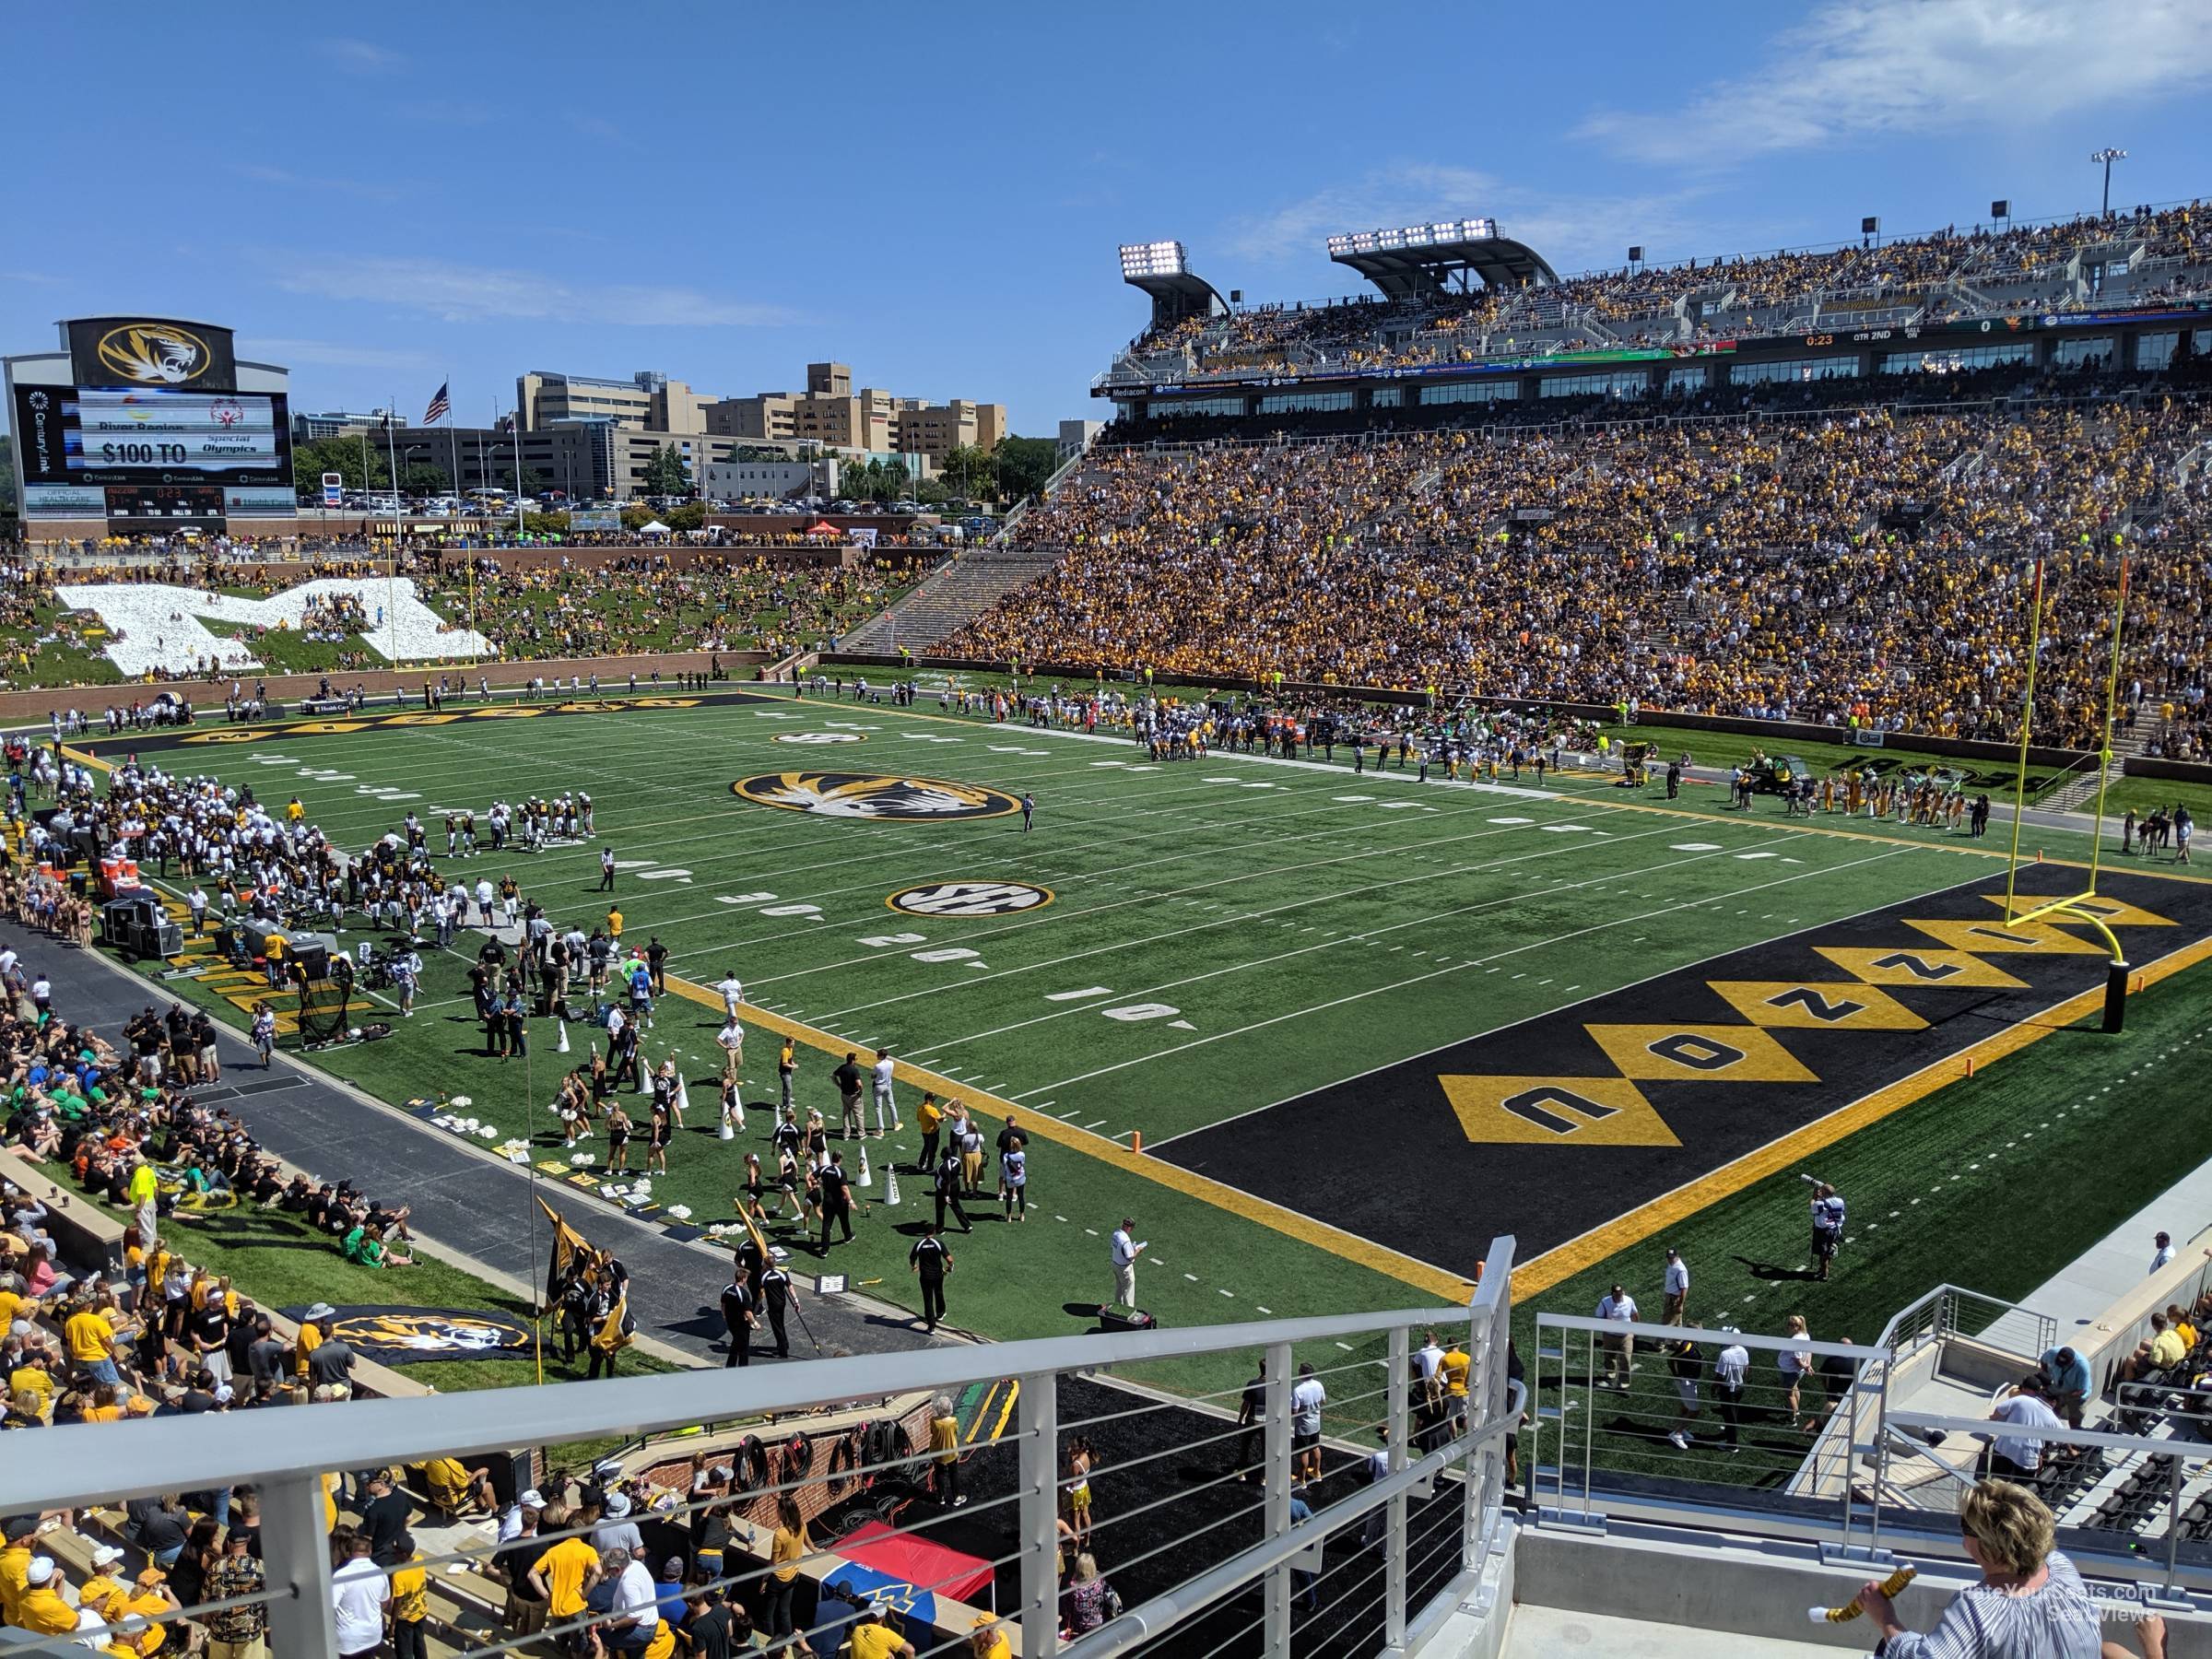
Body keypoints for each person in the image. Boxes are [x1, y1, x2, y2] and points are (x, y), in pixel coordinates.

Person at [1854, 1480, 2103, 1658]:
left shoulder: (1978, 1607)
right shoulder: (2061, 1567)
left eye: (1967, 1525)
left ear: (1987, 1543)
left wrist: (1885, 1617)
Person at [331, 1535, 392, 1659]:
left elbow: (330, 1607)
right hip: (372, 1636)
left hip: (348, 1641)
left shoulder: (341, 1575)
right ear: (370, 1551)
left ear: (348, 1552)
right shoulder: (380, 1572)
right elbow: (385, 1601)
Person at [764, 1496, 808, 1645]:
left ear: (783, 1512)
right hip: (793, 1575)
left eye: (778, 1509)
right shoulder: (801, 1525)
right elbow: (809, 1543)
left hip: (778, 1578)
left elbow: (773, 1563)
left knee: (768, 1613)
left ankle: (769, 1644)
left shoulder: (780, 1534)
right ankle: (787, 1643)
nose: (776, 1512)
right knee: (784, 1611)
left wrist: (764, 1580)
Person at [911, 1222, 952, 1334]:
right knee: (939, 1293)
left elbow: (912, 1258)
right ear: (933, 1232)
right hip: (938, 1275)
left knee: (928, 1300)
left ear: (924, 1232)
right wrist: (950, 1267)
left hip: (925, 1277)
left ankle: (931, 1327)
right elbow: (949, 1259)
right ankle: (940, 1314)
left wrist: (914, 1266)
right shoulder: (938, 1243)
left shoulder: (919, 1245)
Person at [1290, 1361, 1326, 1484]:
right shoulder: (1319, 1385)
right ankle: (1316, 1472)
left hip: (1303, 1427)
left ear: (1302, 1374)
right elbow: (1323, 1402)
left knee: (1304, 1452)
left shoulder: (1298, 1390)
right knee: (1315, 1447)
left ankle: (1302, 1479)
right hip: (1316, 1423)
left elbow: (1294, 1411)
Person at [1594, 1284, 1637, 1388]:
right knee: (1609, 1357)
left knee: (1626, 1359)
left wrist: (1636, 1329)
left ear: (1623, 1292)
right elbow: (1598, 1317)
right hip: (1609, 1336)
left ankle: (1624, 1382)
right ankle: (1610, 1374)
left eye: (1620, 1293)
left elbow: (1634, 1314)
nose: (1619, 1296)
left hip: (1626, 1336)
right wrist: (1608, 1322)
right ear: (1612, 1294)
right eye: (1616, 1294)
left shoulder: (1629, 1301)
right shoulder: (1605, 1302)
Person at [931, 1394, 964, 1507]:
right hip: (951, 1452)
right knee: (953, 1474)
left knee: (939, 1474)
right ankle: (956, 1497)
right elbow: (956, 1431)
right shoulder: (953, 1421)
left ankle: (941, 1497)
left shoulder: (934, 1421)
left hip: (937, 1452)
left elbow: (932, 1432)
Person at [1810, 1182, 1846, 1280]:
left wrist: (1814, 1197)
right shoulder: (1840, 1201)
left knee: (1823, 1254)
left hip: (1823, 1232)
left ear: (1824, 1192)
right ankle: (1831, 1250)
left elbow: (1813, 1207)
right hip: (1835, 1229)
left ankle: (1824, 1275)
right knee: (1826, 1252)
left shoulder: (1820, 1204)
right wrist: (1822, 1197)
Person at [721, 1272, 754, 1370]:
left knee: (736, 1343)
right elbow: (748, 1312)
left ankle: (730, 1366)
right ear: (743, 1279)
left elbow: (723, 1304)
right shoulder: (743, 1293)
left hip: (730, 1321)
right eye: (746, 1278)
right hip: (741, 1323)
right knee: (743, 1347)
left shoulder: (727, 1288)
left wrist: (724, 1316)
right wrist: (755, 1323)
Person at [1110, 1218, 1146, 1308]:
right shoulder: (1125, 1240)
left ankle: (1117, 1307)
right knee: (1128, 1291)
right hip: (1124, 1269)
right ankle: (1129, 1312)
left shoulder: (1116, 1233)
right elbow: (1130, 1257)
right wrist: (1138, 1250)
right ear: (1130, 1228)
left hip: (1115, 1264)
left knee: (1119, 1287)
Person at [871, 1047, 900, 1138]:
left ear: (881, 1056)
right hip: (888, 1085)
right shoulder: (891, 1063)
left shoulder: (878, 1066)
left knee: (878, 1108)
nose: (877, 1055)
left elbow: (872, 1076)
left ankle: (880, 1129)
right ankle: (895, 1124)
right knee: (891, 1105)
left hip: (879, 1086)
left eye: (878, 1054)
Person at [1662, 1247, 1689, 1325]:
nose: (1669, 1260)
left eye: (1671, 1258)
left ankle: (1663, 1337)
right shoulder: (1671, 1265)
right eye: (1668, 1258)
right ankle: (1677, 1337)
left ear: (1677, 1256)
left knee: (1668, 1323)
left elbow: (1684, 1288)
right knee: (1676, 1324)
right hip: (1669, 1297)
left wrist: (1680, 1304)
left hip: (1674, 1300)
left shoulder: (1681, 1270)